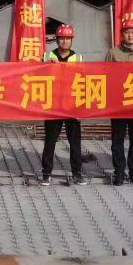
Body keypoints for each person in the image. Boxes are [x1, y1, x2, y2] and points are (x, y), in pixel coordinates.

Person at [105, 15, 133, 186]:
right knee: (117, 140)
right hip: (118, 103)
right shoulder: (113, 53)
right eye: (127, 32)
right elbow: (105, 75)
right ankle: (119, 173)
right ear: (122, 34)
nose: (130, 35)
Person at [40, 24, 88, 186]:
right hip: (53, 105)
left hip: (72, 105)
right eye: (62, 38)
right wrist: (47, 66)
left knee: (75, 142)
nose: (64, 41)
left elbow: (84, 81)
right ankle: (46, 173)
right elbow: (37, 75)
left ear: (71, 40)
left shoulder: (78, 58)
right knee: (50, 141)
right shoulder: (47, 56)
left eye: (67, 38)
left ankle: (77, 173)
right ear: (57, 39)